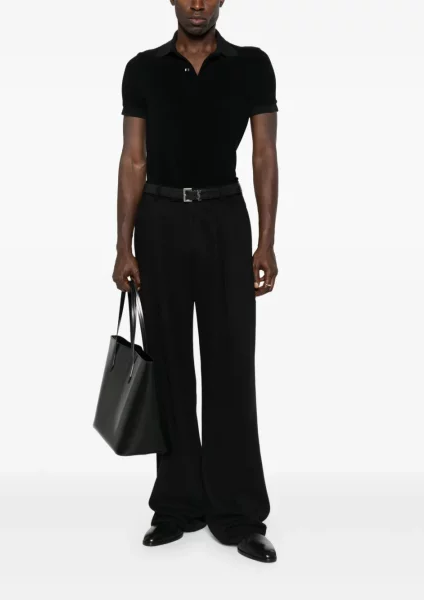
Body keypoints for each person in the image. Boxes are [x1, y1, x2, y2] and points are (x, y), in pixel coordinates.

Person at [112, 0, 279, 564]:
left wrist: (266, 241)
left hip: (224, 219)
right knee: (168, 365)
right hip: (160, 221)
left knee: (231, 363)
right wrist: (123, 245)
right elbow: (133, 160)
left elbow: (264, 154)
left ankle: (239, 514)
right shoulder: (143, 69)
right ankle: (177, 506)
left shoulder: (251, 65)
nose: (198, 3)